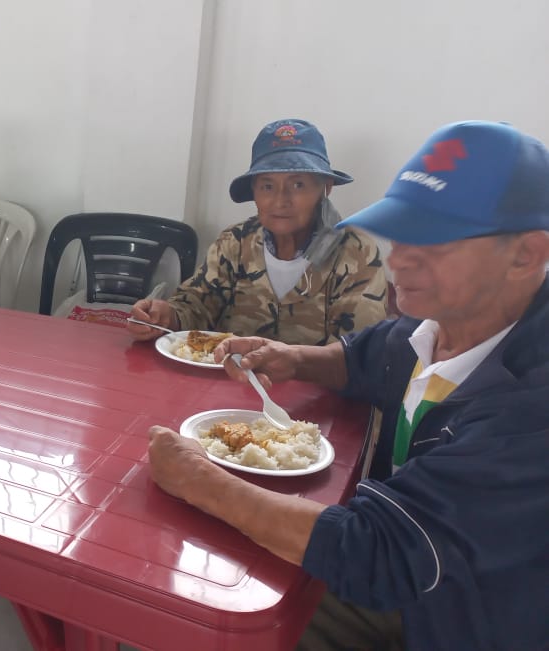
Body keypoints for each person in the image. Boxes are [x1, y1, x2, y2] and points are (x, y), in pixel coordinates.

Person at [146, 121, 549, 650]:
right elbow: (363, 357)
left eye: (435, 240)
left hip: (448, 618)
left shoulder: (531, 404)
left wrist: (198, 479)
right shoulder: (433, 325)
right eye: (401, 232)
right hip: (399, 559)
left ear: (525, 255)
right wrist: (290, 357)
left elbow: (376, 551)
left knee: (198, 608)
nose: (399, 259)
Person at [128, 119, 387, 345]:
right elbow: (197, 305)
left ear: (326, 188)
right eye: (267, 186)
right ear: (254, 190)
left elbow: (357, 354)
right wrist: (167, 316)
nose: (280, 200)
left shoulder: (356, 254)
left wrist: (290, 362)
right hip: (228, 384)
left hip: (313, 388)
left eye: (298, 184)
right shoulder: (234, 243)